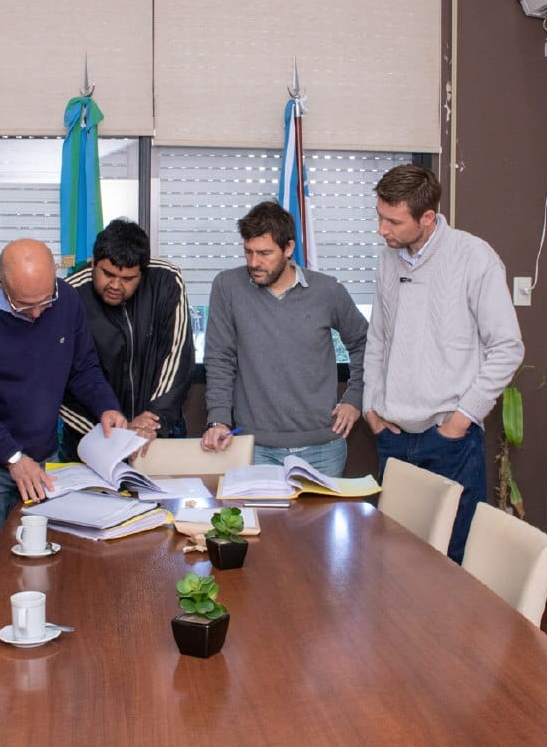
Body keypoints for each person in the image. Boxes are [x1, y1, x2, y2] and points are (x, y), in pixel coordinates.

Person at [0, 239, 127, 612]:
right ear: (0, 281)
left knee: (44, 568)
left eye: (43, 302)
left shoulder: (65, 300)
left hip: (44, 460)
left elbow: (83, 368)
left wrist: (106, 407)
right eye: (24, 305)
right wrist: (12, 456)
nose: (36, 315)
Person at [363, 164, 524, 564]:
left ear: (428, 218)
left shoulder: (474, 257)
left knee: (451, 564)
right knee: (394, 563)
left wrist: (460, 421)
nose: (382, 230)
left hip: (449, 440)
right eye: (380, 216)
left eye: (393, 221)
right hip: (394, 437)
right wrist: (371, 406)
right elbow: (379, 337)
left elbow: (508, 347)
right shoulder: (388, 259)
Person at [201, 201, 367, 475]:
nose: (254, 262)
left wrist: (355, 397)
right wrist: (217, 419)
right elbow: (220, 357)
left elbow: (364, 343)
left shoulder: (327, 291)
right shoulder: (227, 287)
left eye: (265, 253)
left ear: (288, 249)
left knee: (317, 520)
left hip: (323, 448)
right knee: (259, 520)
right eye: (248, 252)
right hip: (255, 448)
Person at [60, 219, 195, 455]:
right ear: (94, 263)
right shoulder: (69, 296)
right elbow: (61, 380)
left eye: (127, 279)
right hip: (93, 439)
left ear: (143, 272)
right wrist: (113, 432)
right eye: (107, 274)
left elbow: (177, 355)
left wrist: (153, 420)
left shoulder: (166, 280)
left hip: (156, 433)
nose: (115, 285)